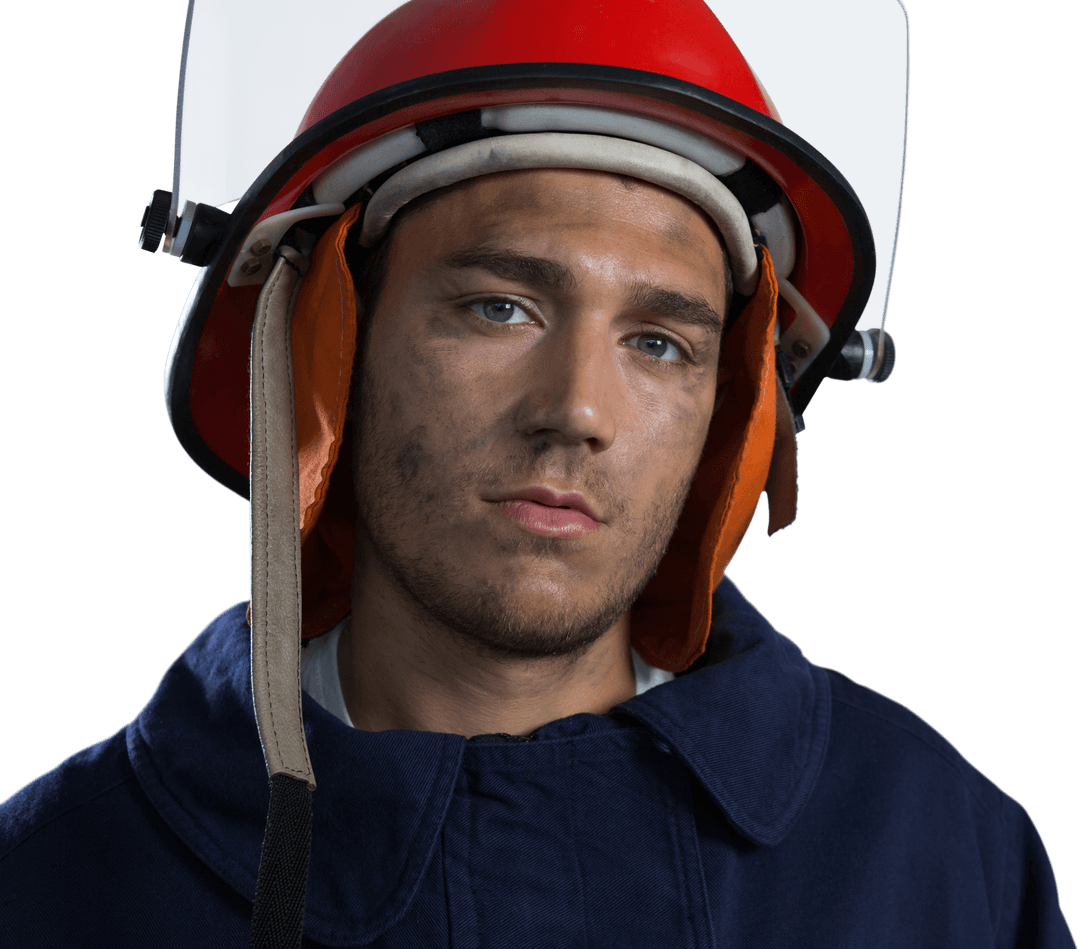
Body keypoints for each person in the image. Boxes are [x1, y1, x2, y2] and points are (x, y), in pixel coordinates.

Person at [1, 0, 1074, 946]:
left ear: (731, 411)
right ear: (329, 350)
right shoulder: (53, 885)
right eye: (499, 307)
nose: (576, 411)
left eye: (659, 343)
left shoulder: (940, 858)